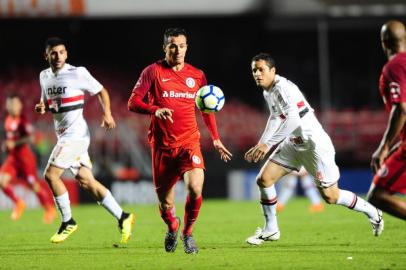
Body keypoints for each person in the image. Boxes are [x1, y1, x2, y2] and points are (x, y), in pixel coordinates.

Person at [245, 53, 384, 246]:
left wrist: (268, 145)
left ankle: (373, 211)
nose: (257, 74)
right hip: (294, 143)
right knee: (264, 179)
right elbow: (276, 117)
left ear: (273, 71)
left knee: (331, 196)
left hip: (314, 144)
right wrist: (262, 142)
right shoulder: (268, 91)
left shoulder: (282, 87)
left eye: (261, 69)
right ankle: (271, 230)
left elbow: (293, 119)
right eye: (254, 70)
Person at [128, 28, 232, 254]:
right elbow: (133, 102)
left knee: (195, 187)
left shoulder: (197, 75)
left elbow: (205, 110)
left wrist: (215, 138)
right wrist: (154, 110)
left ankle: (188, 233)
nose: (177, 50)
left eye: (182, 45)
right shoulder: (152, 72)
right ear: (164, 47)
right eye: (172, 45)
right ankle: (173, 226)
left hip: (189, 142)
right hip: (162, 146)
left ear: (187, 48)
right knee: (166, 204)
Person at [34, 37, 135, 244]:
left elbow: (101, 91)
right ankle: (123, 217)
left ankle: (68, 221)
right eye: (53, 53)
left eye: (62, 52)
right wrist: (42, 106)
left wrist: (107, 113)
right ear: (46, 55)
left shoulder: (77, 73)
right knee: (86, 181)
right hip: (64, 136)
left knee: (51, 175)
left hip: (76, 135)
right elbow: (47, 102)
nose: (58, 56)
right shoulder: (44, 76)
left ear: (66, 54)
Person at [367, 20, 406, 219]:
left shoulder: (394, 66)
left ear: (385, 42)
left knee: (377, 195)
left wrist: (383, 146)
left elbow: (402, 109)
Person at [0, 94, 56, 223]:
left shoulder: (23, 121)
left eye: (14, 104)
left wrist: (14, 143)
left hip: (25, 159)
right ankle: (19, 203)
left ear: (20, 106)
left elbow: (30, 138)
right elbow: (11, 138)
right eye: (9, 104)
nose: (11, 107)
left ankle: (49, 209)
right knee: (2, 181)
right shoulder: (8, 120)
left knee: (33, 185)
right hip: (13, 158)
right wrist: (8, 144)